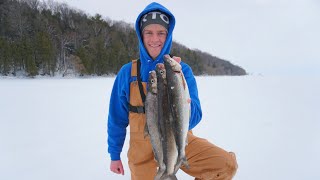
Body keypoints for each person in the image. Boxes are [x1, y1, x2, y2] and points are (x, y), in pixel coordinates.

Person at [108, 2, 238, 180]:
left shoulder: (182, 70)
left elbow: (196, 115)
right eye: (149, 32)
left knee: (225, 165)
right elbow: (116, 118)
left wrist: (182, 106)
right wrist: (114, 155)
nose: (155, 39)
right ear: (141, 35)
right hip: (142, 149)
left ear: (168, 35)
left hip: (179, 139)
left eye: (161, 33)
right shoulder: (127, 73)